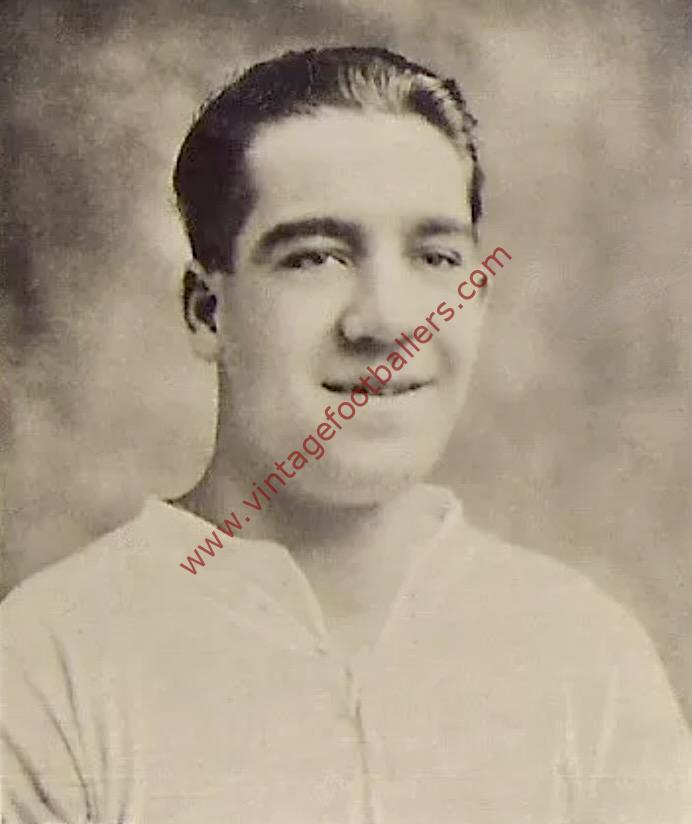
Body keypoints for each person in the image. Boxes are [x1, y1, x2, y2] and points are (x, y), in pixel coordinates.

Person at [1, 46, 690, 824]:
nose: (386, 321)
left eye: (435, 256)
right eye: (314, 258)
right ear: (207, 311)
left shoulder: (586, 657)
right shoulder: (48, 662)